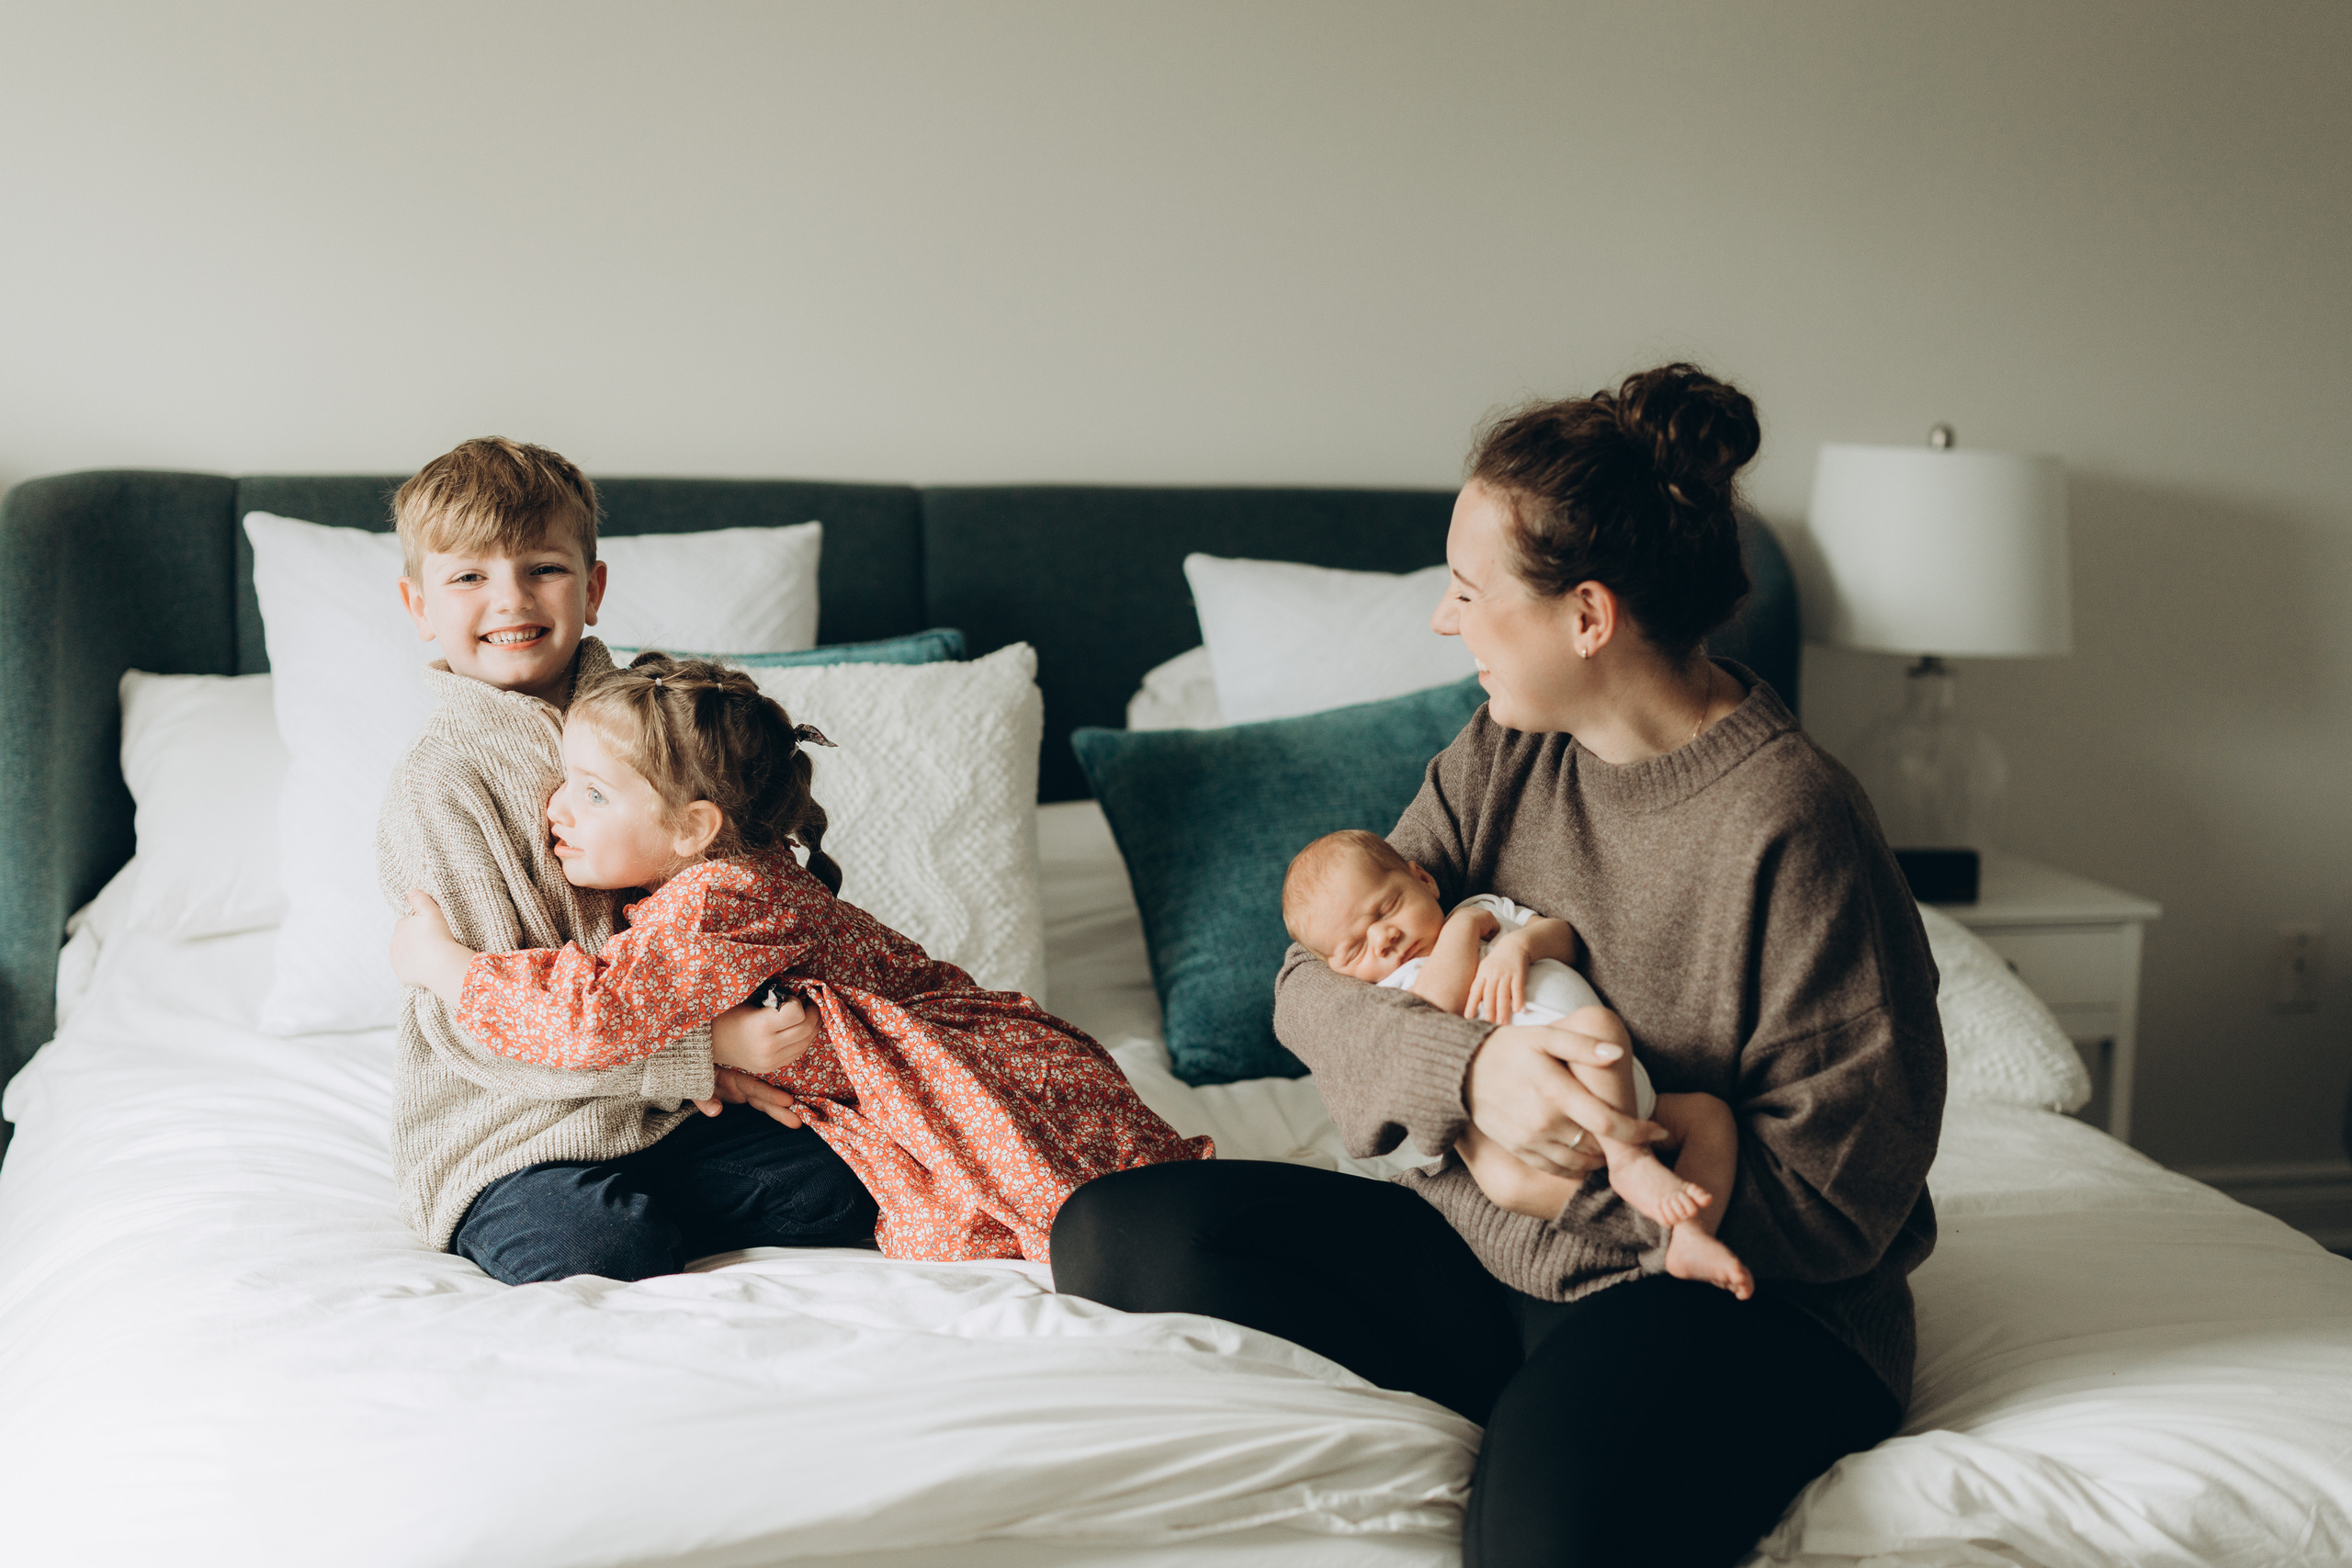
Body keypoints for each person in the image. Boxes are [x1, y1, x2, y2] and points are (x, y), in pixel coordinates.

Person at [1051, 365, 1946, 1568]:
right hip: (1500, 1250)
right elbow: (1311, 986)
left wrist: (1549, 1185)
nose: (1443, 620)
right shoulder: (1507, 746)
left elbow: (1845, 1199)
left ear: (1587, 616)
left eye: (1469, 592)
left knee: (1538, 1535)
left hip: (1742, 1297)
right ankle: (1550, 1381)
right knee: (1113, 1230)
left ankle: (1564, 1404)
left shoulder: (1794, 820)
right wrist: (1478, 1084)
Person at [391, 654, 1213, 1262]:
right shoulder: (727, 873)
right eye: (567, 780)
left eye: (593, 793)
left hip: (981, 1062)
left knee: (1087, 1205)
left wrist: (444, 965)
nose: (556, 808)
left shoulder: (720, 899)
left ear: (693, 827)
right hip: (912, 1068)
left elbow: (594, 1013)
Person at [378, 437, 874, 1287]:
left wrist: (739, 1048)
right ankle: (623, 1216)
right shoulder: (441, 785)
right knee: (599, 1248)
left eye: (543, 568)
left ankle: (678, 1199)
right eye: (468, 578)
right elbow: (481, 1020)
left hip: (674, 1112)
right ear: (419, 604)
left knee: (877, 1172)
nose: (511, 600)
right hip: (516, 1129)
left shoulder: (657, 722)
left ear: (593, 587)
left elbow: (724, 893)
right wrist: (704, 1051)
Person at [1281, 829, 1750, 1298]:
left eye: (1386, 908)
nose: (1384, 939)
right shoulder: (1390, 991)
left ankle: (1689, 1238)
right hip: (1526, 1132)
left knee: (1708, 1115)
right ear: (1339, 974)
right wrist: (1464, 933)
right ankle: (1630, 1166)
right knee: (1593, 1038)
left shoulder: (1484, 907)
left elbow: (1564, 938)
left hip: (1618, 1085)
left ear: (1423, 879)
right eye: (1356, 949)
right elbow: (1436, 1008)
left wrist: (1519, 947)